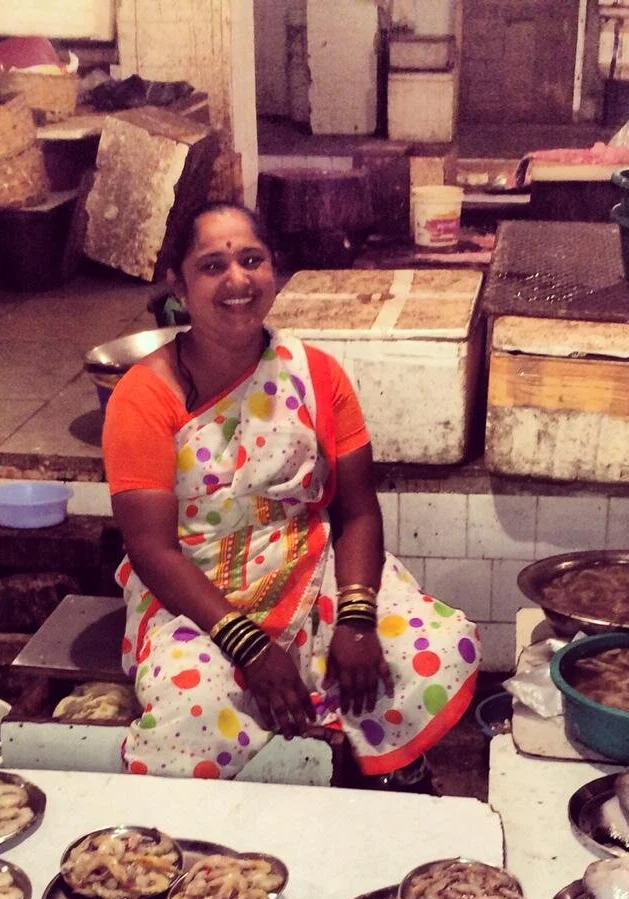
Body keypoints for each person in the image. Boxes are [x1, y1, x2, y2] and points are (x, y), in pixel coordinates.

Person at [101, 201, 480, 782]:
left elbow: (358, 512)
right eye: (212, 266)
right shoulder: (143, 396)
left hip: (309, 564)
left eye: (251, 260)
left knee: (434, 652)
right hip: (193, 592)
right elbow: (152, 550)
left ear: (273, 269)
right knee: (196, 712)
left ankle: (367, 771)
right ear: (178, 284)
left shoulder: (316, 374)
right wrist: (248, 645)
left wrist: (357, 617)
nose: (237, 280)